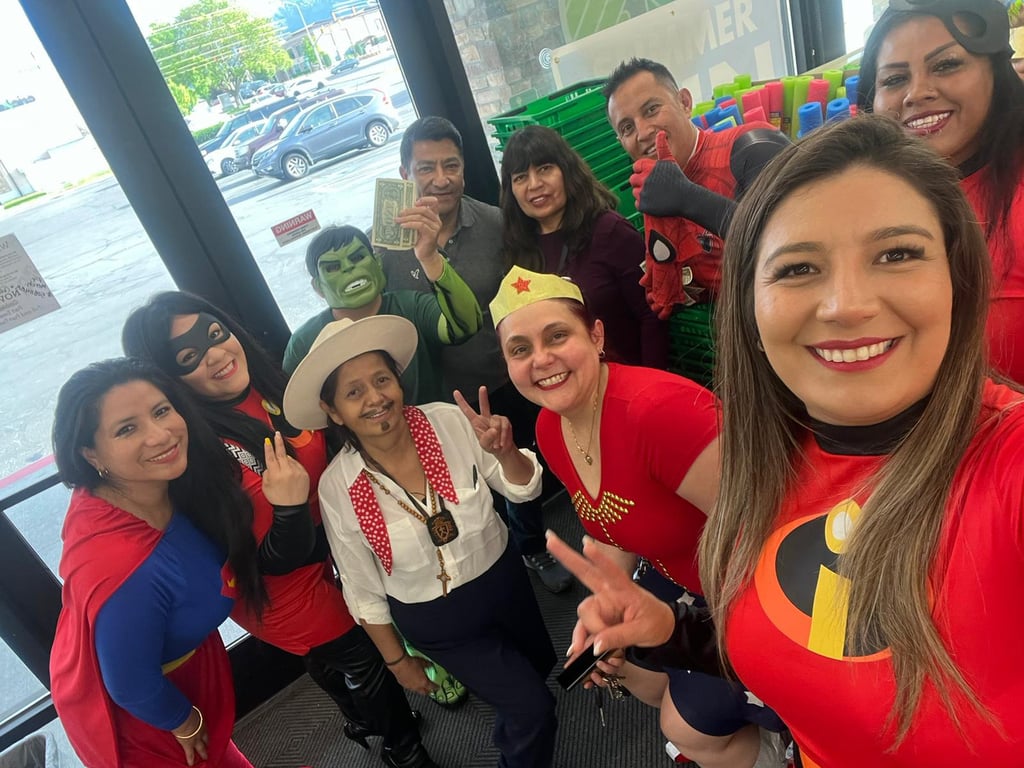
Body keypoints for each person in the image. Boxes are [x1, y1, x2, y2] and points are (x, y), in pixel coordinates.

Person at [550, 114, 1024, 767]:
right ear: (750, 303)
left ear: (959, 277)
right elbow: (798, 660)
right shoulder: (765, 458)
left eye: (896, 254)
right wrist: (670, 635)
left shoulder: (1008, 463)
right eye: (799, 267)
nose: (846, 304)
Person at [122, 292, 438, 768]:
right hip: (278, 587)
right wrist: (288, 510)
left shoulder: (271, 388)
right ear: (169, 380)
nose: (216, 354)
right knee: (365, 658)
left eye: (215, 334)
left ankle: (360, 716)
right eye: (189, 357)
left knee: (342, 656)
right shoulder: (197, 454)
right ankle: (403, 749)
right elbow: (261, 560)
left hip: (328, 550)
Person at [490, 266, 785, 768]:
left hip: (752, 591)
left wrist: (692, 631)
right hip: (675, 577)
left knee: (681, 722)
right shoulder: (550, 426)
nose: (541, 359)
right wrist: (608, 604)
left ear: (597, 335)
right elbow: (610, 530)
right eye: (520, 349)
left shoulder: (659, 414)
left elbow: (769, 529)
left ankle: (784, 746)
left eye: (557, 335)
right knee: (631, 669)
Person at [282, 314, 558, 768]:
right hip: (436, 617)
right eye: (354, 392)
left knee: (533, 675)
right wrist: (397, 662)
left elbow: (522, 489)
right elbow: (361, 588)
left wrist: (507, 453)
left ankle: (513, 727)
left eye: (382, 380)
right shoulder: (340, 488)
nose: (375, 399)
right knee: (534, 707)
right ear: (333, 411)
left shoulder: (449, 422)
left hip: (503, 582)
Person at [380, 115, 573, 593]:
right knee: (470, 491)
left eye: (452, 165)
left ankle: (534, 549)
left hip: (510, 379)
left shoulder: (495, 223)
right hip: (442, 401)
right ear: (405, 174)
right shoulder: (385, 246)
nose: (441, 179)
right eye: (426, 168)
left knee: (525, 463)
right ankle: (491, 562)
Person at [50, 357, 253, 768]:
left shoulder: (140, 489)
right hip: (151, 719)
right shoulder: (125, 570)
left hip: (182, 671)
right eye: (127, 429)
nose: (161, 435)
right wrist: (183, 721)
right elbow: (130, 683)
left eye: (161, 411)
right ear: (90, 454)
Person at [857, 0, 1024, 381]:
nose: (917, 93)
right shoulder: (861, 205)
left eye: (946, 65)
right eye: (894, 79)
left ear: (996, 72)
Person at [604, 57, 789, 315]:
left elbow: (792, 240)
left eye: (651, 110)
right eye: (627, 127)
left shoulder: (753, 146)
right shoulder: (651, 196)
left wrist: (686, 197)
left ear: (684, 103)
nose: (643, 132)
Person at [499, 124, 669, 368]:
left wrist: (651, 386)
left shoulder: (610, 231)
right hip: (560, 385)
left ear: (566, 171)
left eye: (545, 169)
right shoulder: (519, 247)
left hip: (625, 381)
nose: (534, 184)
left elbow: (652, 316)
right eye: (520, 178)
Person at [283, 224, 482, 407]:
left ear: (377, 262)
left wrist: (430, 259)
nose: (348, 268)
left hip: (436, 432)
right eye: (333, 267)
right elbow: (301, 409)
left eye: (357, 257)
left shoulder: (410, 307)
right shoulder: (304, 343)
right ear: (318, 287)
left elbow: (465, 325)